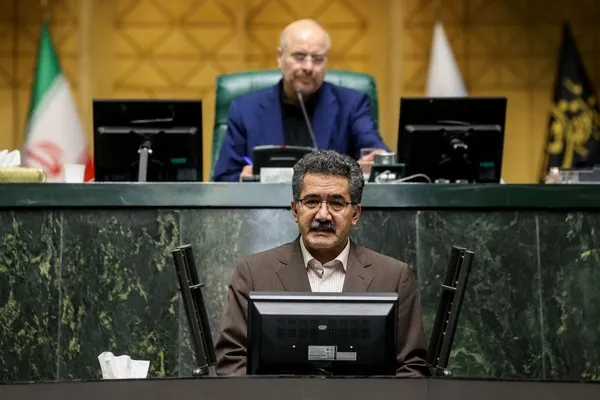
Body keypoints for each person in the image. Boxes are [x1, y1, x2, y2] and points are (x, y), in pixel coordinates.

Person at [214, 150, 429, 376]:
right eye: (312, 201)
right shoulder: (253, 273)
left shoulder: (393, 277)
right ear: (295, 210)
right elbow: (231, 361)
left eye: (336, 203)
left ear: (355, 214)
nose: (323, 215)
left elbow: (411, 368)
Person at [212, 19, 389, 182]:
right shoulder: (245, 109)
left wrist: (376, 159)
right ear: (280, 57)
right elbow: (223, 178)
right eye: (299, 56)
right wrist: (243, 180)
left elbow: (375, 153)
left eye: (317, 59)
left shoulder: (352, 104)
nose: (308, 67)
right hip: (265, 204)